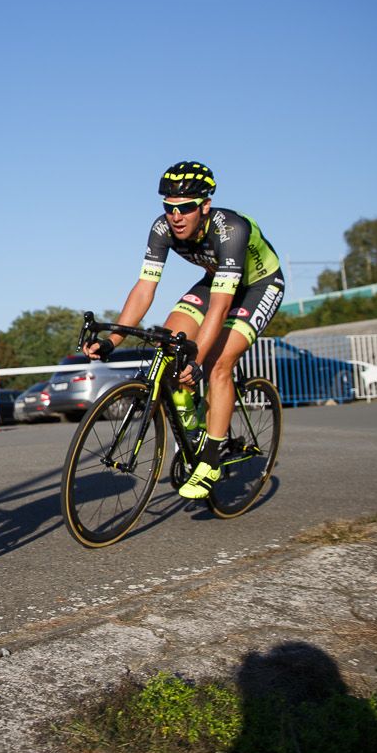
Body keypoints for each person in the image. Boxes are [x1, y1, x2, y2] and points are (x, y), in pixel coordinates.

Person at [85, 161, 284, 499]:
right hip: (214, 281)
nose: (176, 216)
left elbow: (220, 308)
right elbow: (145, 289)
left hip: (259, 286)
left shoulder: (230, 230)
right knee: (168, 347)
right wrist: (112, 341)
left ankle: (211, 458)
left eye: (186, 208)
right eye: (169, 207)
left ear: (205, 206)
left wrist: (197, 361)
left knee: (217, 364)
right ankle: (193, 431)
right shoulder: (162, 229)